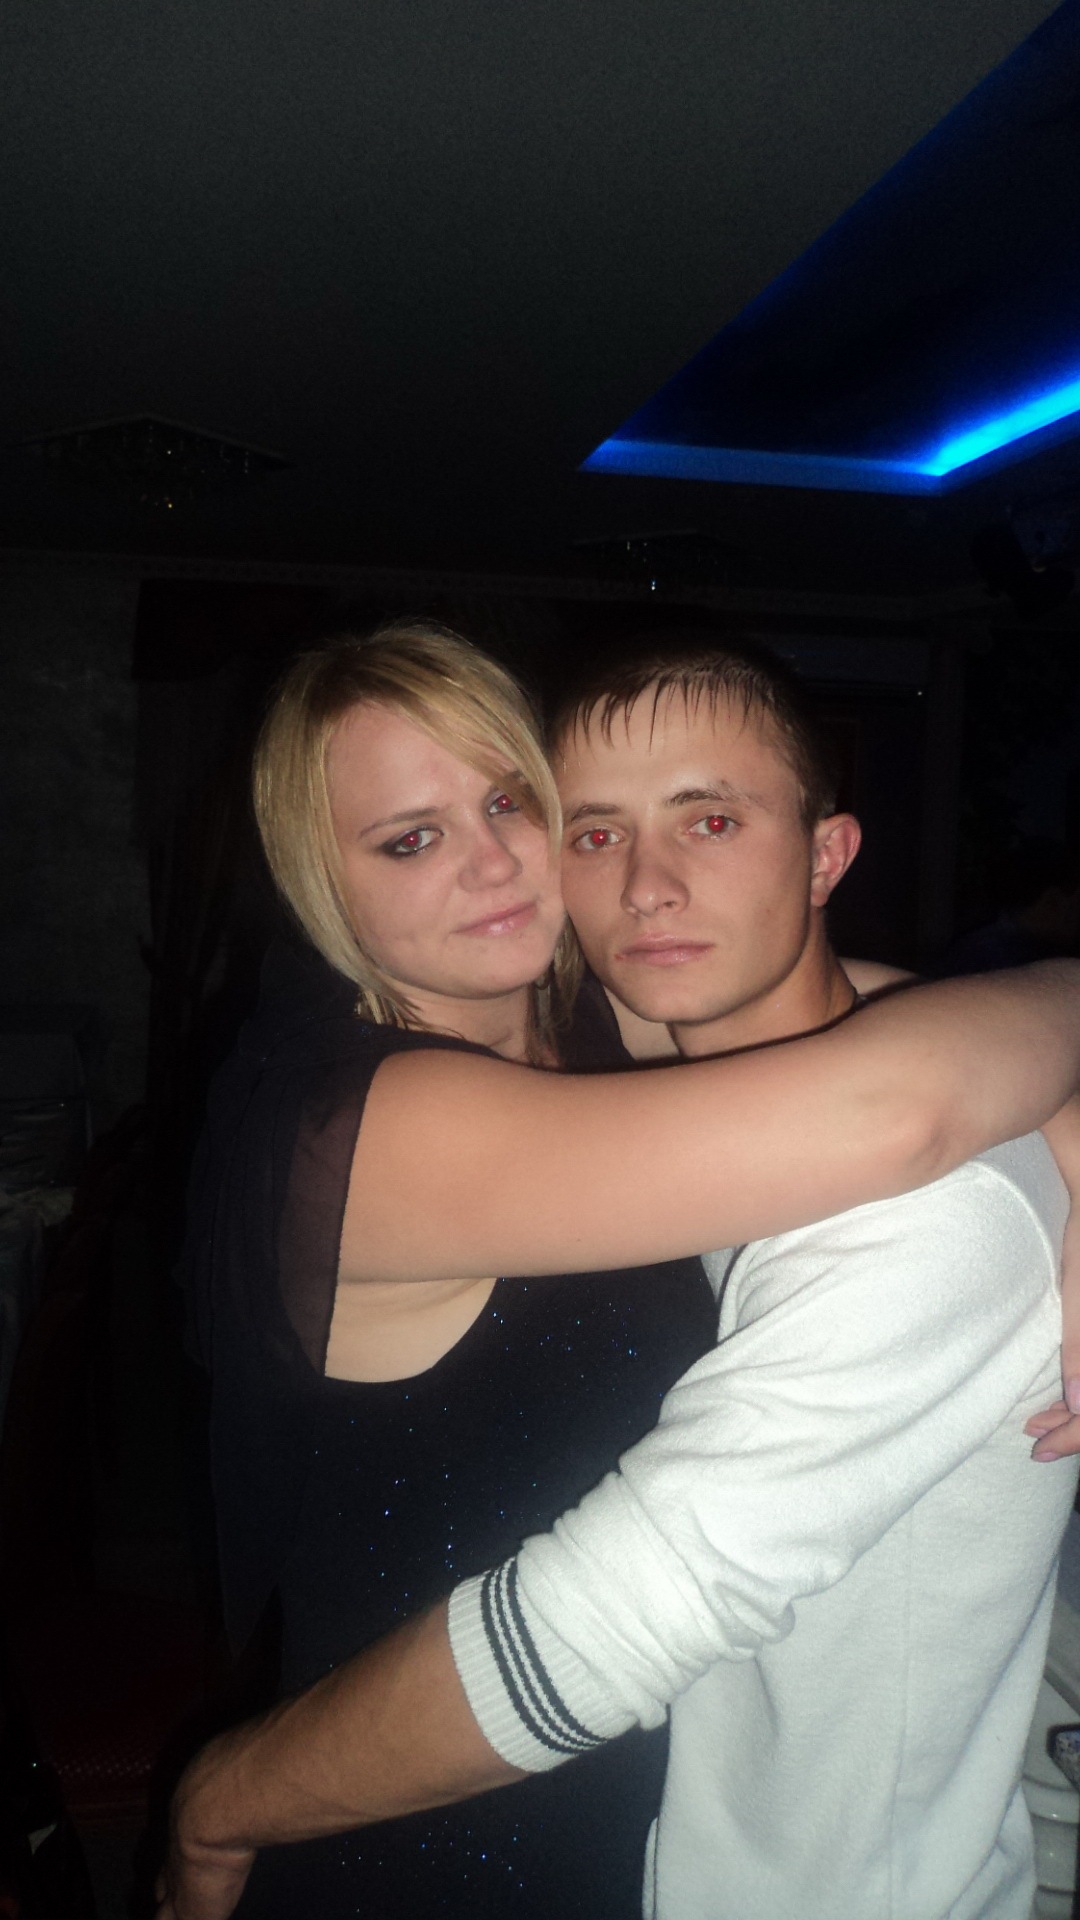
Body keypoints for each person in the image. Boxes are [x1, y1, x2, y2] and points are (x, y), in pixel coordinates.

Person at [162, 623, 1080, 1920]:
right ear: (322, 887)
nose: (491, 864)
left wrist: (1062, 1092)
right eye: (409, 840)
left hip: (625, 1798)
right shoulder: (372, 1128)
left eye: (511, 805)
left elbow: (864, 1028)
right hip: (418, 1805)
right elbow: (899, 1101)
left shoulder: (585, 1022)